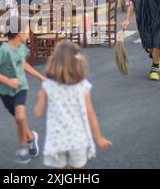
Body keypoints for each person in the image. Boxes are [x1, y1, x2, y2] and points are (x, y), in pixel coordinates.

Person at [34, 40, 112, 169]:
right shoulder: (82, 86)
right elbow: (90, 113)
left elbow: (38, 113)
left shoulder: (48, 86)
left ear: (54, 62)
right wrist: (99, 138)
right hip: (77, 140)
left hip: (56, 140)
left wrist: (40, 97)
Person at [0, 16, 47, 164]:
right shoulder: (4, 50)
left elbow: (23, 65)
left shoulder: (21, 48)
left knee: (20, 117)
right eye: (26, 31)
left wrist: (41, 77)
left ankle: (22, 147)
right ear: (19, 33)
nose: (28, 34)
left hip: (21, 87)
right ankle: (31, 137)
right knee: (19, 119)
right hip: (5, 91)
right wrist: (8, 81)